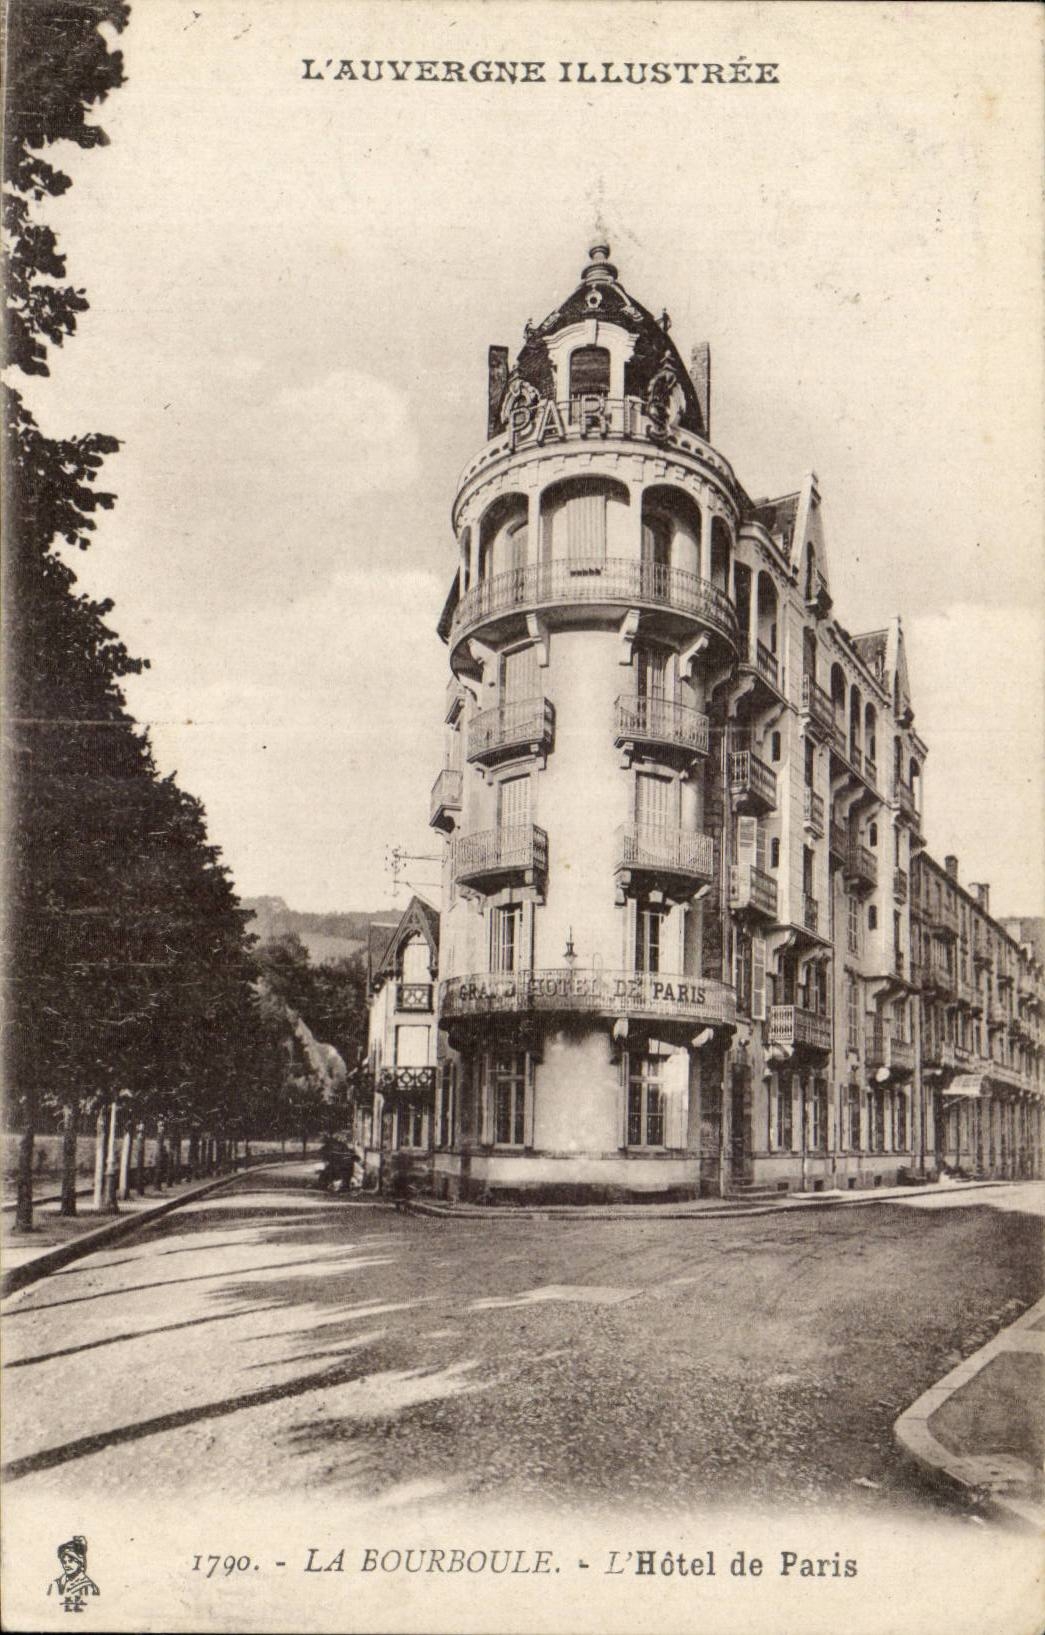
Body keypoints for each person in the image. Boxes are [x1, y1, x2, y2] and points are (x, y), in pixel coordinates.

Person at [48, 1537, 99, 1608]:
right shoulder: (55, 1584)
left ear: (80, 1562)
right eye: (64, 1562)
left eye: (70, 1561)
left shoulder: (89, 1587)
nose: (67, 1565)